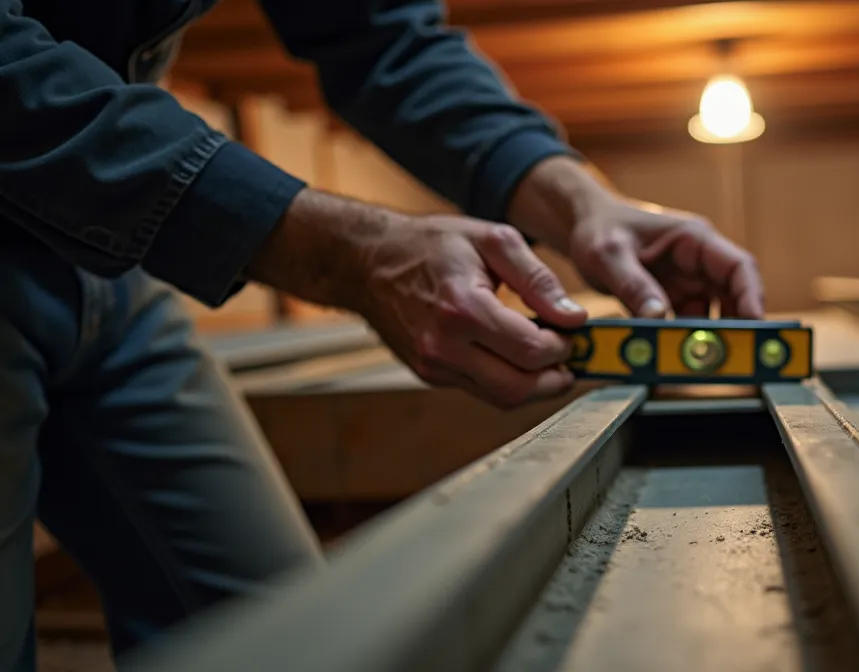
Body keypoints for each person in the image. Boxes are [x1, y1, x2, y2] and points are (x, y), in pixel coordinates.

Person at [0, 0, 765, 668]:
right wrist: (347, 254)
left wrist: (578, 200)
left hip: (114, 264)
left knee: (288, 636)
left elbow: (383, 36)